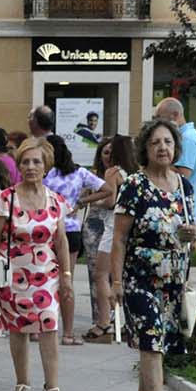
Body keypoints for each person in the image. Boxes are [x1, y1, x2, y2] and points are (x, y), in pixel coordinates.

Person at [110, 118, 196, 391]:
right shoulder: (135, 185)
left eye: (168, 142)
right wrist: (116, 283)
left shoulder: (184, 187)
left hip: (173, 280)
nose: (163, 148)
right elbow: (119, 237)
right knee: (151, 340)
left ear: (176, 147)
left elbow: (191, 238)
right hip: (140, 278)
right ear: (145, 149)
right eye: (155, 142)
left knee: (157, 345)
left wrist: (191, 235)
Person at [0, 137, 73, 391]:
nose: (31, 167)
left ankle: (52, 387)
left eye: (36, 162)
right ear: (19, 166)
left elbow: (61, 240)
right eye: (25, 162)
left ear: (46, 166)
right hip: (14, 273)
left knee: (48, 325)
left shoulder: (56, 200)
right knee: (18, 328)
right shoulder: (7, 198)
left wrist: (67, 275)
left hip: (47, 274)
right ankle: (22, 382)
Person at [44, 139, 113, 344]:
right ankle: (68, 333)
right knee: (67, 281)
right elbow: (108, 189)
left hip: (47, 228)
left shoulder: (45, 174)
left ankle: (39, 329)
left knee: (43, 279)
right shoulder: (79, 173)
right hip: (71, 229)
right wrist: (81, 201)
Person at [82, 134, 137, 343]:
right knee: (121, 274)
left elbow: (110, 201)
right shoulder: (133, 173)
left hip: (112, 226)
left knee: (101, 274)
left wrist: (89, 201)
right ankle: (124, 321)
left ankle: (105, 322)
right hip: (130, 226)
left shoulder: (112, 172)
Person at [154, 97, 196, 222]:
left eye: (160, 118)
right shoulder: (185, 136)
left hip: (181, 213)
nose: (158, 123)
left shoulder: (187, 139)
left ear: (175, 115)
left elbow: (182, 176)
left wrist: (155, 164)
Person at [27, 104, 74, 174]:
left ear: (34, 121)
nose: (28, 121)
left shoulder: (55, 144)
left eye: (29, 117)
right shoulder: (56, 142)